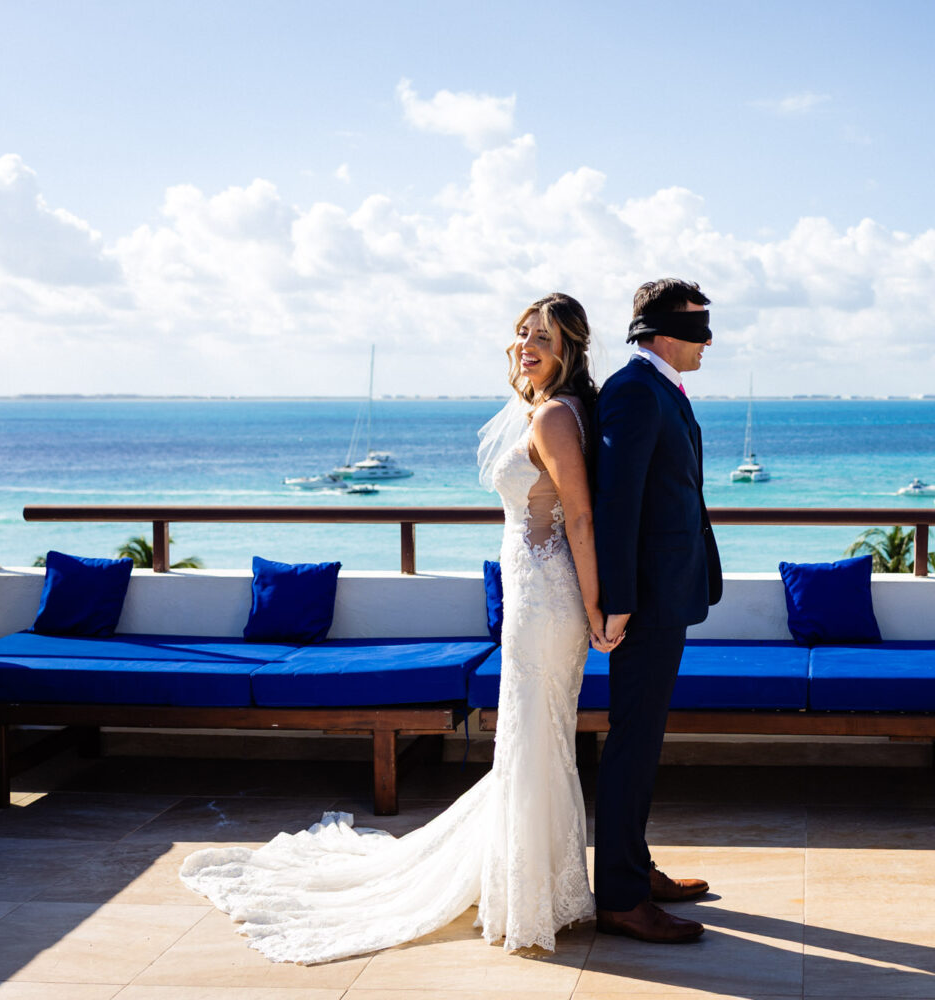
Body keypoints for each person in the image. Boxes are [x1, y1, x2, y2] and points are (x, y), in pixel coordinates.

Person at [180, 293, 617, 962]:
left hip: (548, 599)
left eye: (546, 339)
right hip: (532, 594)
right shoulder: (546, 410)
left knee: (537, 738)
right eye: (524, 334)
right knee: (532, 739)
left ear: (570, 350)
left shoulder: (557, 416)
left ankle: (535, 897)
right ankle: (533, 888)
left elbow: (580, 518)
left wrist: (593, 607)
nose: (528, 346)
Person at [591, 278, 723, 944]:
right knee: (632, 745)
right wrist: (618, 603)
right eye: (700, 327)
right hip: (644, 601)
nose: (710, 340)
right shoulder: (636, 393)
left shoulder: (657, 388)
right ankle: (618, 895)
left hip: (665, 593)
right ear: (664, 331)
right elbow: (616, 504)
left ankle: (635, 869)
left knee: (643, 744)